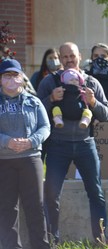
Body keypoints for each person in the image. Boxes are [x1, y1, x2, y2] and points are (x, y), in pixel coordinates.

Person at [37, 42, 108, 244]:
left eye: (73, 56)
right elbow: (35, 112)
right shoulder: (49, 82)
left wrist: (93, 102)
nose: (69, 60)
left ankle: (101, 238)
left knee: (96, 193)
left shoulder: (91, 82)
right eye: (65, 57)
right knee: (51, 195)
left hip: (86, 144)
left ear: (80, 56)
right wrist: (51, 98)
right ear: (60, 59)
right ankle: (53, 239)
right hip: (57, 145)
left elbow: (106, 114)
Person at [0, 59, 51, 249]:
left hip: (31, 160)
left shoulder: (34, 101)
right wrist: (7, 141)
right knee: (7, 210)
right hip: (4, 161)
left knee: (36, 208)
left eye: (15, 75)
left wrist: (31, 141)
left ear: (22, 77)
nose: (11, 79)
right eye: (6, 75)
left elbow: (45, 127)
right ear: (0, 79)